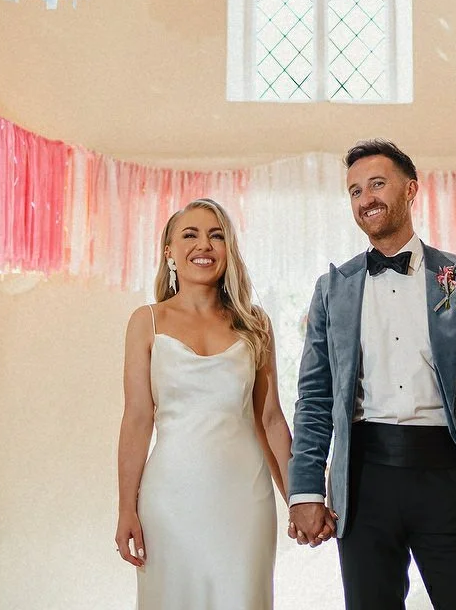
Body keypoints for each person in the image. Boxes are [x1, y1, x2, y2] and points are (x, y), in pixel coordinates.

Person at [287, 140, 456, 610]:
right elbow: (314, 398)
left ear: (411, 189)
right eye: (355, 191)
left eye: (377, 184)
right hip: (363, 484)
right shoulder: (333, 289)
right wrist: (306, 488)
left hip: (450, 476)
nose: (366, 199)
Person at [115, 199, 292, 609]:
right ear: (169, 252)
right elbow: (138, 420)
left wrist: (301, 501)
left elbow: (271, 420)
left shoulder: (255, 323)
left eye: (217, 236)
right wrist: (126, 508)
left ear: (229, 249)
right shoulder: (147, 321)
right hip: (169, 502)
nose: (204, 245)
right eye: (190, 235)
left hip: (244, 501)